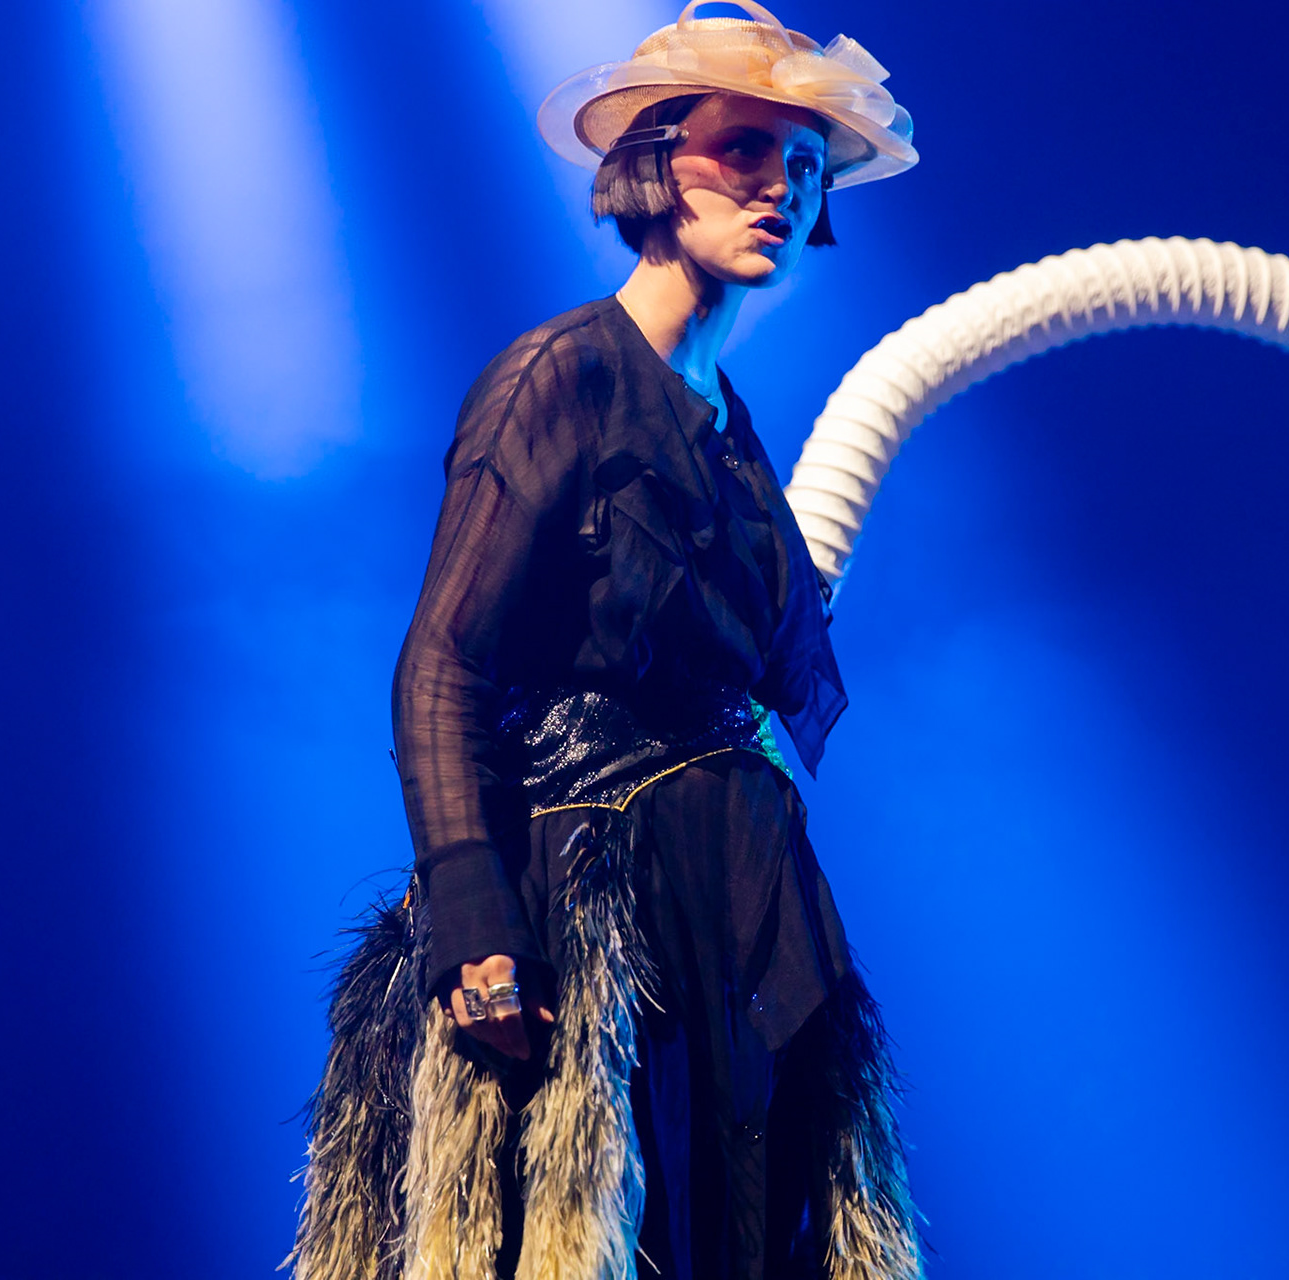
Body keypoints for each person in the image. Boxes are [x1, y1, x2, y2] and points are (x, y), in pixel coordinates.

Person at [291, 5, 922, 1278]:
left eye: (804, 169)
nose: (780, 191)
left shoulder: (731, 426)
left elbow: (762, 681)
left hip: (736, 901)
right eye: (745, 153)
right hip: (594, 904)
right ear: (652, 165)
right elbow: (442, 662)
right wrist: (477, 921)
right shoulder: (558, 377)